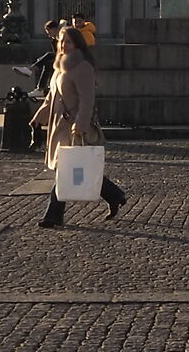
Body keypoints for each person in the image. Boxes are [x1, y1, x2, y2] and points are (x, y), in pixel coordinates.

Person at [31, 21, 126, 227]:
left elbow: (87, 100)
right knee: (76, 165)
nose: (63, 45)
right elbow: (52, 97)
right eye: (61, 41)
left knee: (65, 168)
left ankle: (53, 216)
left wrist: (80, 124)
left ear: (77, 44)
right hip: (59, 125)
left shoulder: (82, 67)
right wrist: (39, 116)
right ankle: (115, 195)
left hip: (73, 126)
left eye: (68, 41)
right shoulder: (59, 66)